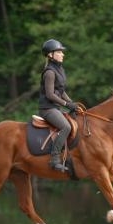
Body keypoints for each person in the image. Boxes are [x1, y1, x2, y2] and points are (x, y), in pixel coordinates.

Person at [38, 39, 77, 172]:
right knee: (65, 127)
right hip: (47, 109)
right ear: (50, 55)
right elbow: (50, 95)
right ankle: (54, 160)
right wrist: (67, 104)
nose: (62, 54)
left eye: (61, 52)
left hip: (56, 108)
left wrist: (72, 103)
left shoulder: (59, 69)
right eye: (59, 52)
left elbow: (61, 91)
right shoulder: (49, 72)